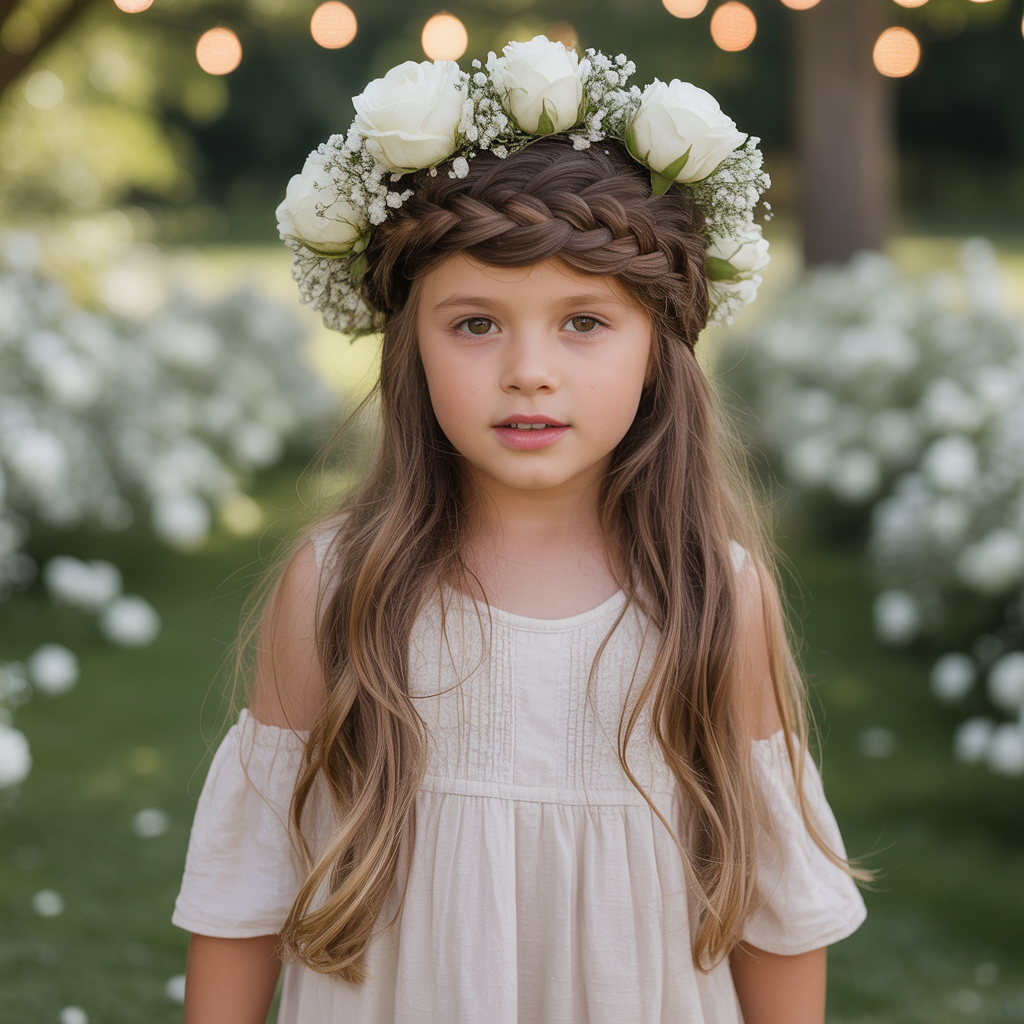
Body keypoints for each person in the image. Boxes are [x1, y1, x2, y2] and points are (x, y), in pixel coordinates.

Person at [173, 37, 866, 1024]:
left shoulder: (715, 593)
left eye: (583, 321)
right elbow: (241, 893)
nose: (528, 370)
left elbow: (775, 911)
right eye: (476, 323)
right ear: (411, 345)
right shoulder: (335, 585)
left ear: (657, 350)